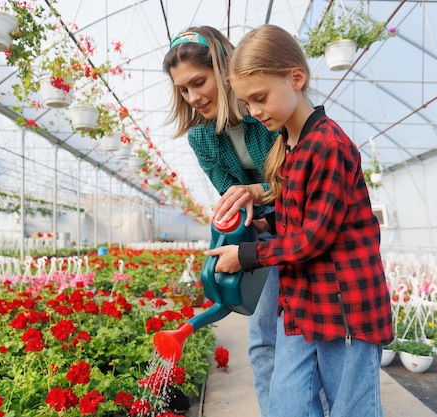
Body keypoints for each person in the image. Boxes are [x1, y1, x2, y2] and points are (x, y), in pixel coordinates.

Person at [206, 24, 394, 417]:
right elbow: (294, 225)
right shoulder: (288, 148)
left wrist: (247, 255)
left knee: (351, 409)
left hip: (345, 308)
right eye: (247, 104)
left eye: (260, 98)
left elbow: (314, 238)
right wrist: (260, 226)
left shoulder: (328, 145)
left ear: (296, 78)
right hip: (302, 305)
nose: (255, 112)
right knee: (287, 404)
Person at [163, 26, 324, 417]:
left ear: (223, 69)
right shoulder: (201, 137)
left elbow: (298, 179)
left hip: (301, 231)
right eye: (183, 89)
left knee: (303, 338)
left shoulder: (268, 111)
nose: (193, 96)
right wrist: (244, 221)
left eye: (198, 82)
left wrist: (258, 195)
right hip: (262, 237)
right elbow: (230, 193)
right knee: (262, 338)